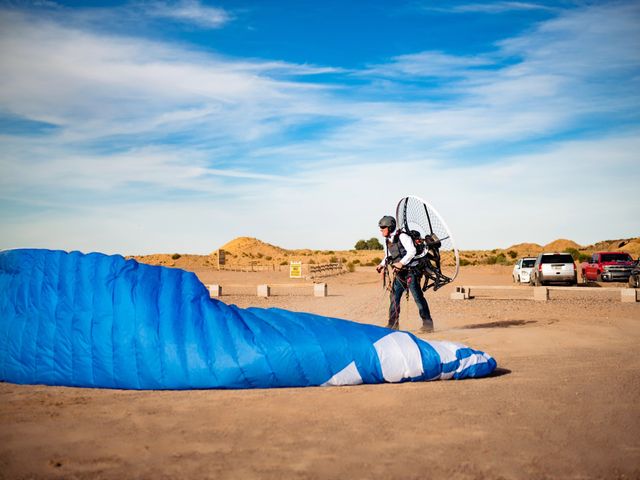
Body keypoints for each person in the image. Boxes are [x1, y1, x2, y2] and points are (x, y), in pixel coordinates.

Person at [376, 215, 434, 333]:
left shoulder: (402, 236)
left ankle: (428, 324)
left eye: (383, 227)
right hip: (400, 273)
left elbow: (412, 251)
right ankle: (393, 325)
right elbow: (388, 255)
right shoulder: (387, 240)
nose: (381, 229)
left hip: (411, 272)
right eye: (380, 227)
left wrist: (401, 263)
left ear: (390, 227)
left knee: (418, 298)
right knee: (394, 298)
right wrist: (381, 264)